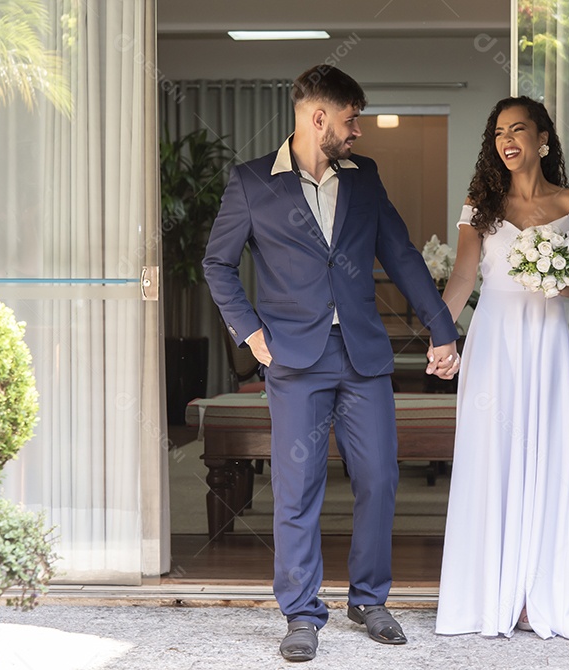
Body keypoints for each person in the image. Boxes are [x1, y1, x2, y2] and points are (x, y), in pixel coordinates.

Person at [203, 64, 460, 663]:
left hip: (362, 355)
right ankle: (301, 611)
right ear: (319, 118)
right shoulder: (251, 183)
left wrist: (442, 329)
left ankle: (368, 600)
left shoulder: (364, 178)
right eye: (351, 119)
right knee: (298, 486)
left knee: (380, 478)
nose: (358, 131)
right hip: (293, 359)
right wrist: (251, 334)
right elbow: (217, 264)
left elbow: (401, 255)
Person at [434, 96, 569, 640]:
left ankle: (535, 596)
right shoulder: (481, 203)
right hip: (494, 341)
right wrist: (440, 335)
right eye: (500, 132)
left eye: (518, 129)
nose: (507, 140)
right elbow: (463, 277)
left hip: (546, 343)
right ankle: (488, 595)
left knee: (545, 455)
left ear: (542, 139)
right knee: (491, 455)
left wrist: (553, 279)